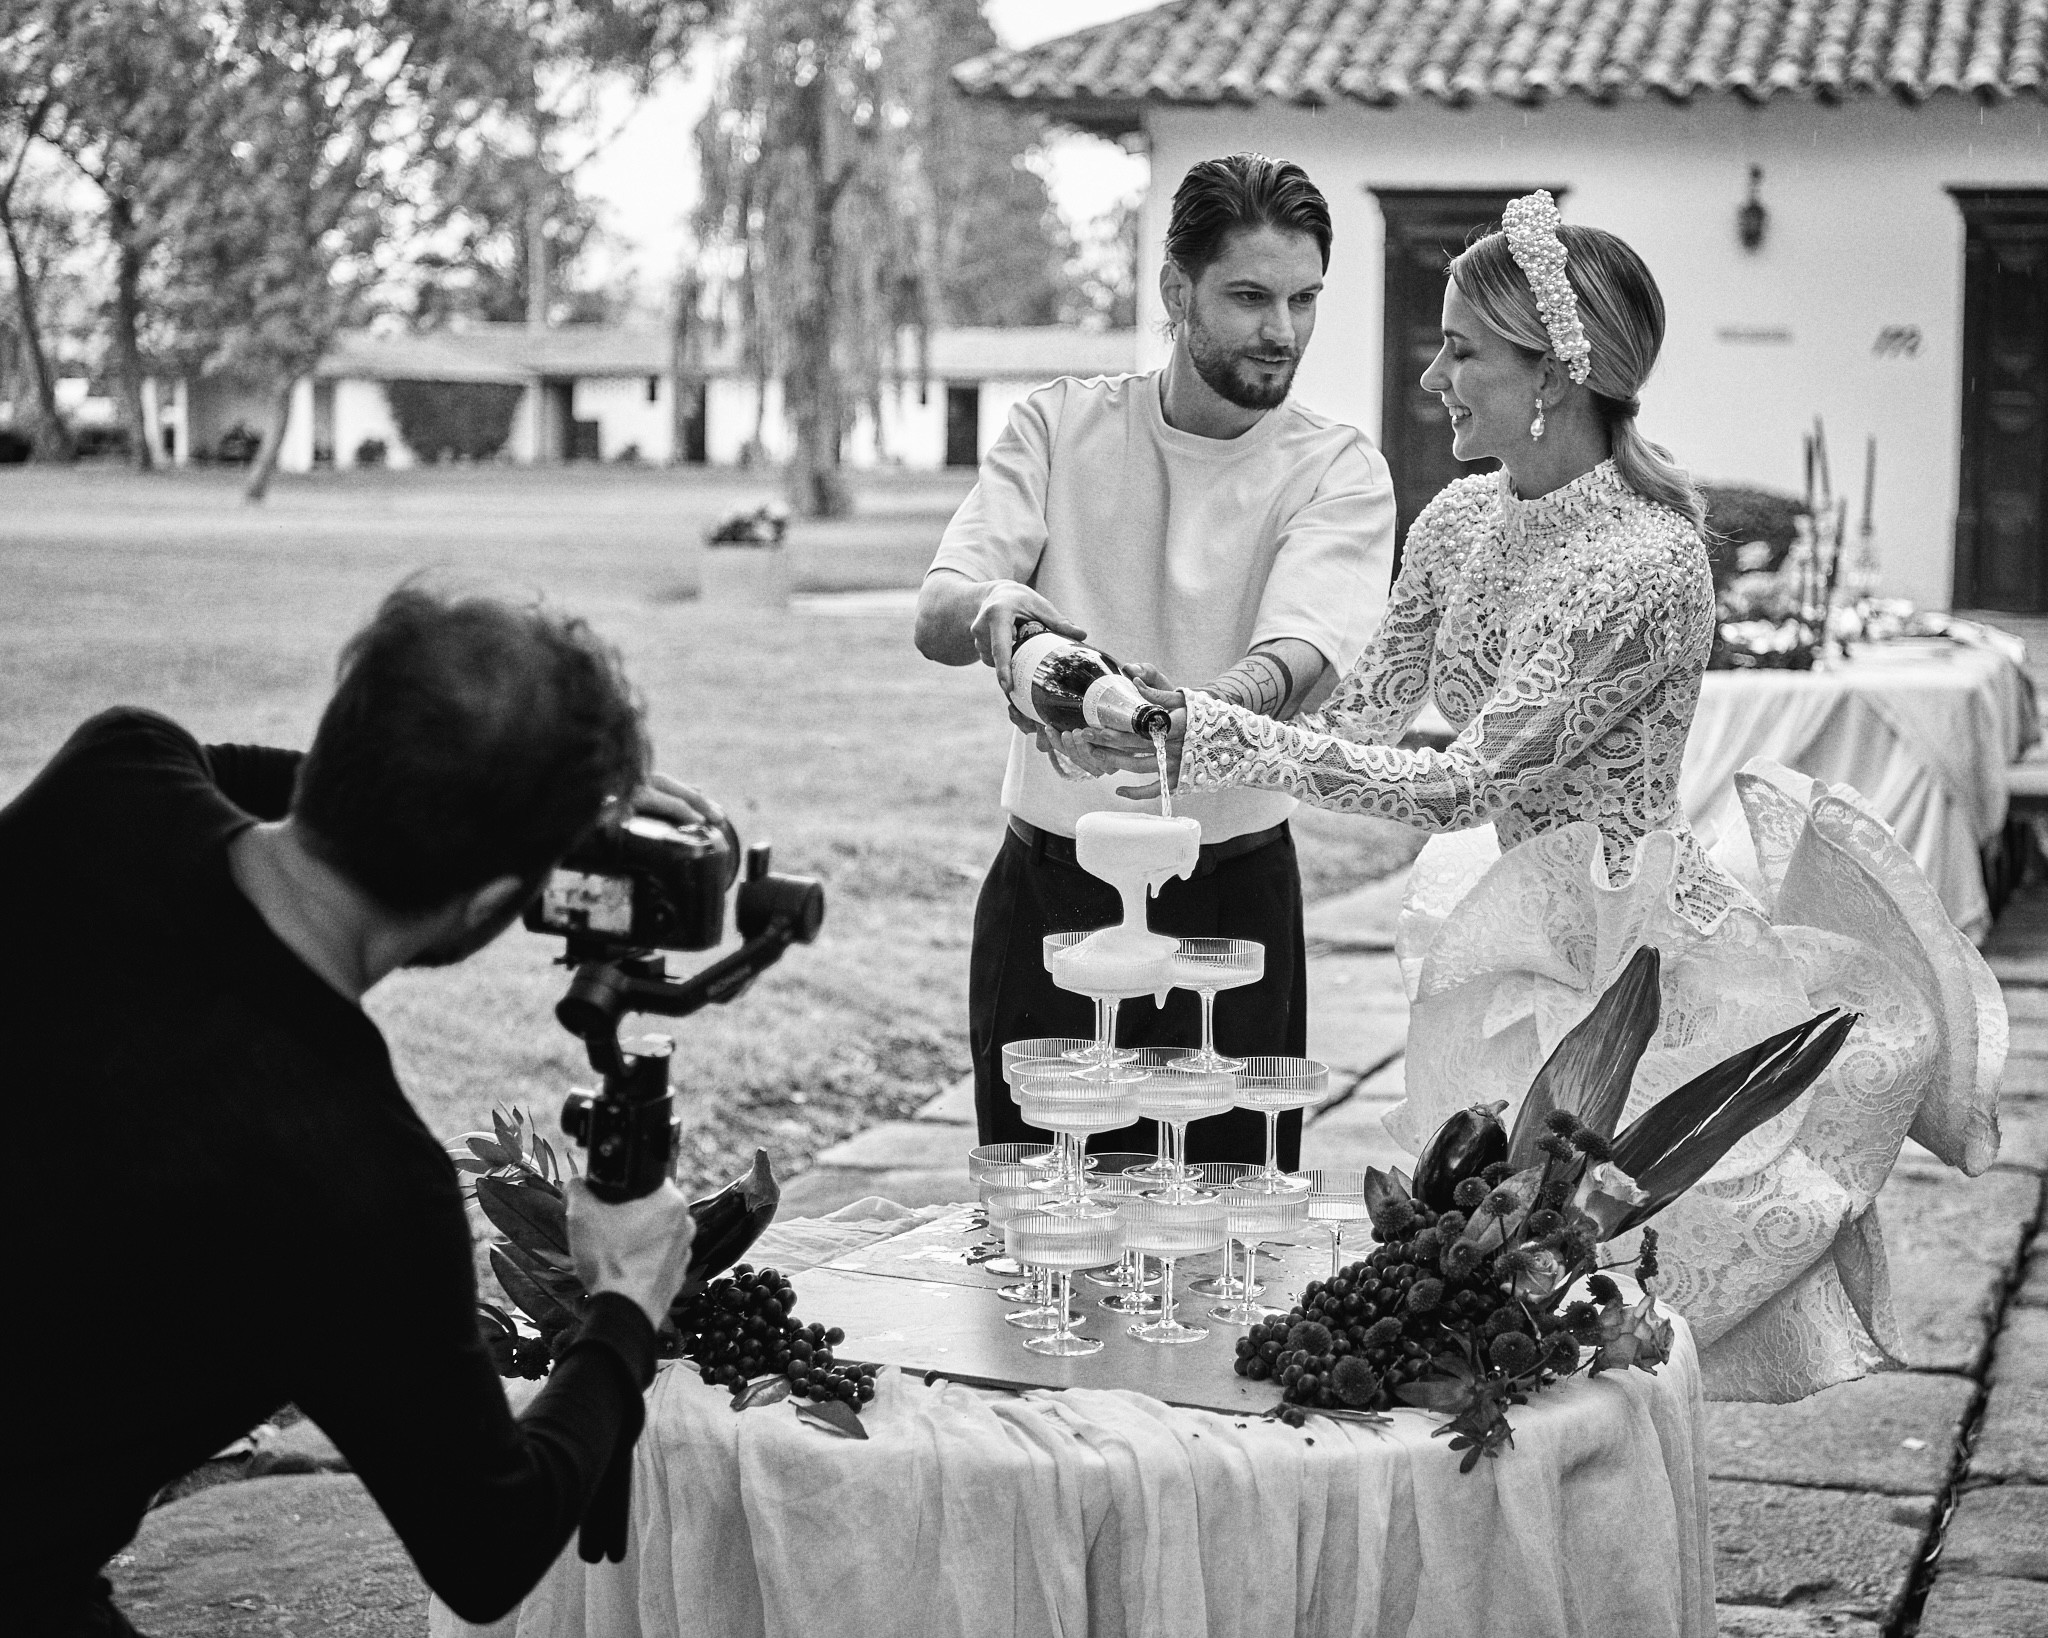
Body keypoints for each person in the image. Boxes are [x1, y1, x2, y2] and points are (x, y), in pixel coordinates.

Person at [1129, 191, 2003, 1400]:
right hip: (1513, 929)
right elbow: (1363, 722)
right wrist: (1177, 708)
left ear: (1552, 375)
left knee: (1606, 1320)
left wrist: (1212, 735)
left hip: (1632, 963)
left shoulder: (1642, 561)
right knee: (1496, 1301)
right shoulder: (1459, 518)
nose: (1432, 374)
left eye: (1460, 349)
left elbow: (1454, 784)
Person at [1, 585, 716, 1635]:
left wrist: (486, 820)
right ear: (486, 907)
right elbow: (489, 1545)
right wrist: (619, 1309)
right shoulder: (353, 1176)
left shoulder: (113, 773)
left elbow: (239, 779)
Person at [915, 152, 1396, 1163]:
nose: (1281, 332)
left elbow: (1300, 654)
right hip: (1049, 898)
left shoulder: (1336, 468)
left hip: (1232, 905)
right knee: (1038, 1237)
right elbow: (939, 608)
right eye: (1249, 296)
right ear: (1175, 291)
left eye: (1303, 299)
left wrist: (1199, 715)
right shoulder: (1056, 425)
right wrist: (999, 610)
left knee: (1222, 1252)